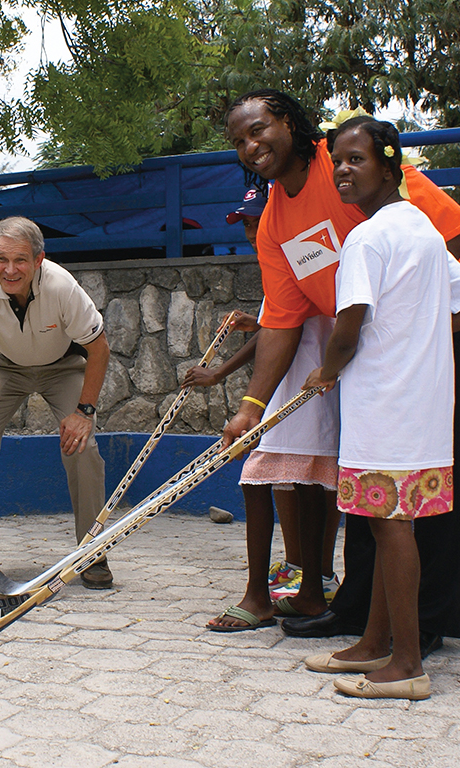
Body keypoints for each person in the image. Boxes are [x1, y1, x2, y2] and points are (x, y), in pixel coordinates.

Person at [223, 89, 460, 650]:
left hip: (422, 355)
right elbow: (281, 322)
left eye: (258, 130)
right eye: (239, 141)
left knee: (418, 491)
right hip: (367, 367)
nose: (251, 146)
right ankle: (359, 612)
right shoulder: (275, 224)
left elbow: (447, 233)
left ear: (289, 122)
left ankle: (422, 624)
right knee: (369, 495)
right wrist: (250, 410)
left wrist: (437, 333)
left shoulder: (354, 164)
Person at [301, 118, 460, 699]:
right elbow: (455, 301)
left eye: (356, 160)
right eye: (338, 160)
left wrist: (328, 371)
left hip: (384, 409)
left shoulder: (368, 238)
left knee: (392, 531)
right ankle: (373, 644)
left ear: (390, 167)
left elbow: (349, 324)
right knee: (387, 524)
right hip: (418, 409)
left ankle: (408, 665)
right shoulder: (421, 229)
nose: (343, 170)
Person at [184, 188, 342, 632]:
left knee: (277, 480)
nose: (253, 232)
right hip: (290, 382)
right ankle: (301, 588)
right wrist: (223, 368)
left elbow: (288, 323)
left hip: (310, 381)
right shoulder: (281, 254)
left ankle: (274, 593)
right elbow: (278, 323)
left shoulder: (308, 246)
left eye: (257, 221)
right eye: (248, 224)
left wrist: (220, 373)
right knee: (282, 481)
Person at [0, 216, 111, 588]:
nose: (10, 270)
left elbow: (99, 348)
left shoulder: (63, 286)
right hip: (5, 368)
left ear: (39, 259)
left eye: (20, 260)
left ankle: (93, 552)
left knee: (83, 448)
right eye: (1, 260)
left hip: (63, 367)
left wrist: (84, 412)